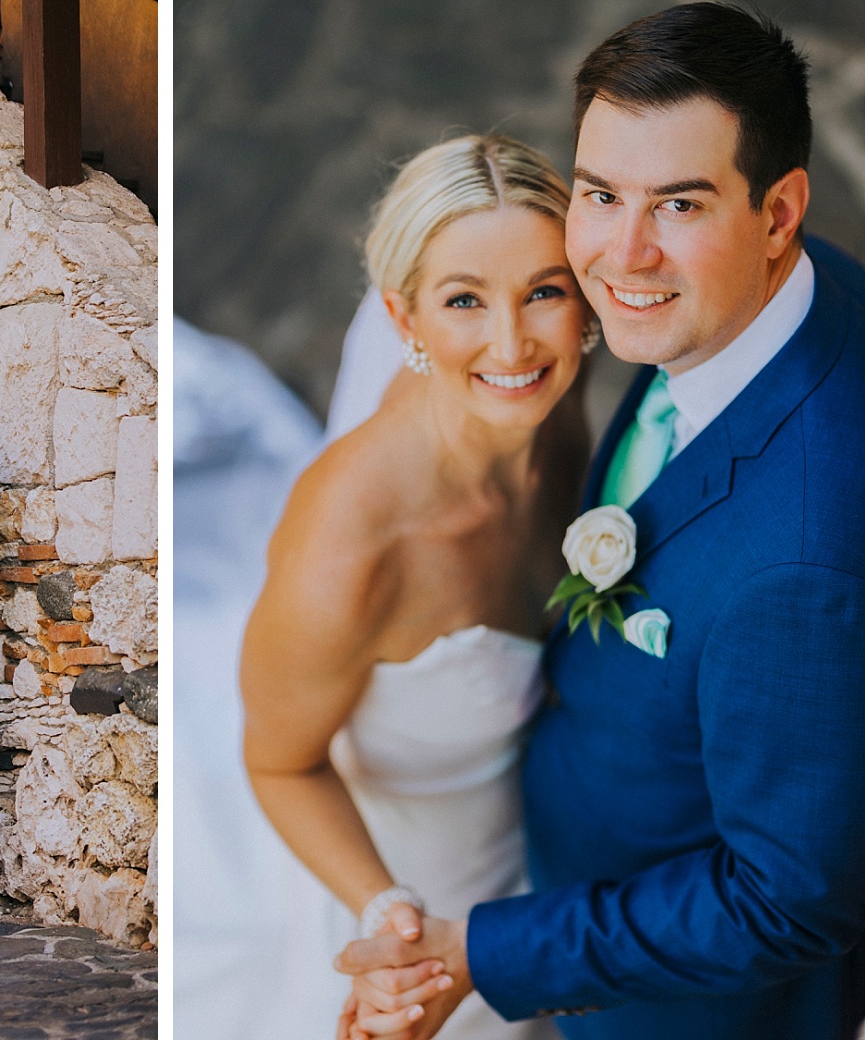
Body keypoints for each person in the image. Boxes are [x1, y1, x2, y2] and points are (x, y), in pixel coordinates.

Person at [335, 6, 865, 1040]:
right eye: (599, 193)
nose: (618, 256)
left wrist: (479, 954)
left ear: (775, 211)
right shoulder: (791, 296)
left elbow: (784, 896)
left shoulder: (802, 556)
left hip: (683, 1008)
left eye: (677, 204)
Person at [240, 133, 593, 1040]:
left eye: (544, 291)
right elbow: (279, 761)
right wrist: (390, 916)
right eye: (464, 300)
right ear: (405, 320)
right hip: (421, 873)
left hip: (554, 845)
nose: (512, 343)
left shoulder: (554, 411)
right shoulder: (351, 548)